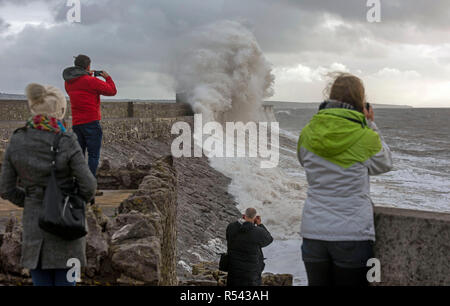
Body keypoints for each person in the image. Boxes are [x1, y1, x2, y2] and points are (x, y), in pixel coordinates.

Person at [297, 72, 393, 286]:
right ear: (361, 102)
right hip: (352, 234)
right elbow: (385, 164)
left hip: (313, 233)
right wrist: (370, 125)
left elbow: (305, 161)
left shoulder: (307, 133)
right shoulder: (365, 136)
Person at [0, 83, 96, 286]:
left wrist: (31, 200)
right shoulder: (67, 140)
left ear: (33, 108)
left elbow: (5, 188)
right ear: (61, 110)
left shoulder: (17, 140)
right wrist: (71, 202)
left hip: (35, 232)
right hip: (68, 231)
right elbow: (89, 185)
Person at [62, 54, 117, 181]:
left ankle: (79, 183)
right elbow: (112, 91)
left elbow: (82, 88)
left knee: (80, 155)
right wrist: (108, 78)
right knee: (93, 155)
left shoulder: (68, 82)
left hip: (77, 124)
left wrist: (87, 76)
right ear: (88, 66)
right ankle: (89, 185)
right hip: (91, 123)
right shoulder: (91, 81)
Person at [226, 208, 273, 286]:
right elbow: (269, 239)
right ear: (255, 218)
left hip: (234, 270)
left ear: (244, 216)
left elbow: (229, 239)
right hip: (251, 273)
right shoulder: (258, 231)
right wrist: (260, 224)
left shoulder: (231, 227)